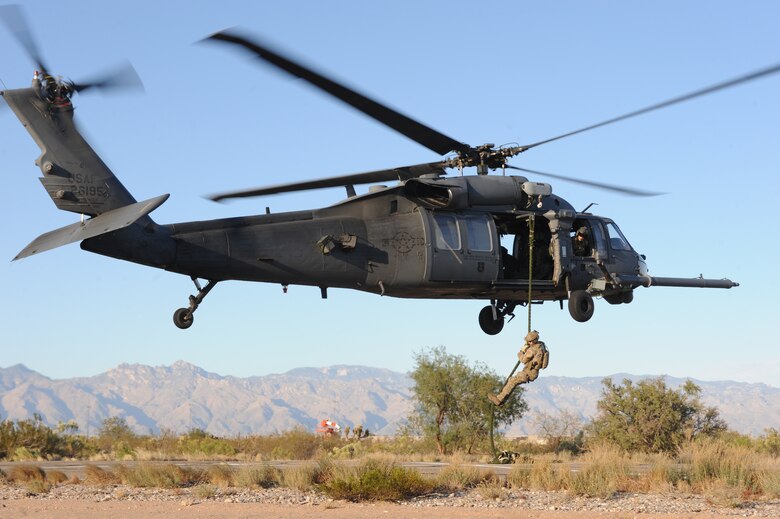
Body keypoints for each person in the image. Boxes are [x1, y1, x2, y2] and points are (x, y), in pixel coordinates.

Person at [488, 330, 549, 406]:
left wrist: (521, 352)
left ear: (534, 341)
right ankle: (502, 401)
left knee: (512, 382)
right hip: (533, 372)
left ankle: (499, 399)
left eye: (530, 342)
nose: (528, 343)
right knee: (512, 381)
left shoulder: (532, 350)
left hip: (528, 373)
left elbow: (523, 359)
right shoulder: (541, 345)